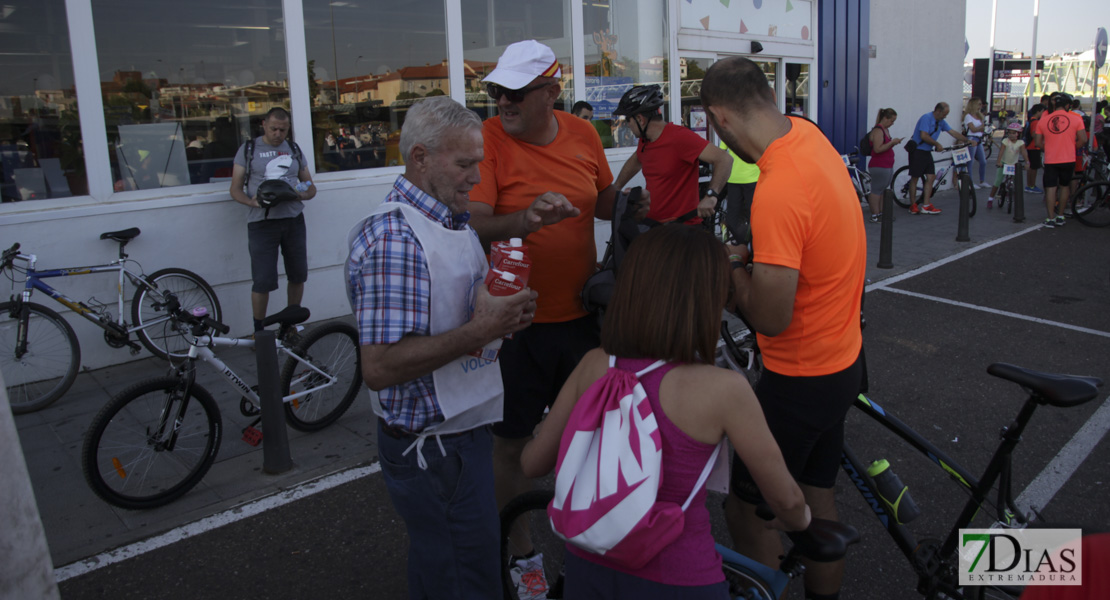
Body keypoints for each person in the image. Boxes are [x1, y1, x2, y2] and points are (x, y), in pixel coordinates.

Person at [520, 224, 811, 599]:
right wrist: (800, 521)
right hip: (680, 577)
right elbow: (785, 498)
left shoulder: (595, 364)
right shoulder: (723, 390)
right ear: (707, 299)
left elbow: (532, 464)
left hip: (587, 566)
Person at [346, 96, 537, 600]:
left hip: (458, 432)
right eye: (465, 164)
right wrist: (481, 329)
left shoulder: (448, 220)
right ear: (420, 158)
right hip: (435, 448)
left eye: (480, 162)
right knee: (464, 573)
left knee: (448, 565)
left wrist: (500, 317)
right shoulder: (396, 238)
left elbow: (458, 314)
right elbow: (381, 367)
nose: (476, 178)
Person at [464, 39, 629, 595]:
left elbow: (602, 200)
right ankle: (522, 550)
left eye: (513, 92)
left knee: (597, 438)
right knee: (510, 443)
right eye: (495, 92)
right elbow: (475, 223)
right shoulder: (488, 140)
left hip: (582, 318)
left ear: (551, 92)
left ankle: (593, 541)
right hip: (514, 324)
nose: (501, 103)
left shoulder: (583, 133)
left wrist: (634, 203)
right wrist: (525, 220)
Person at [700, 56, 866, 600]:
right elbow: (809, 245)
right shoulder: (810, 139)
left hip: (798, 377)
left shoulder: (778, 185)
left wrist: (730, 267)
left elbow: (770, 316)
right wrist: (757, 259)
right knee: (816, 501)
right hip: (842, 360)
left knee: (748, 511)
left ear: (720, 119)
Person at [229, 107, 316, 332]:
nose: (278, 134)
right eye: (274, 129)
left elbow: (311, 186)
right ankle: (260, 333)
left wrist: (302, 193)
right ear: (264, 125)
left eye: (283, 130)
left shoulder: (294, 149)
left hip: (293, 220)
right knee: (263, 280)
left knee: (298, 274)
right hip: (262, 223)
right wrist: (252, 202)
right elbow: (235, 190)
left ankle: (289, 327)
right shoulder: (248, 150)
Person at [611, 85, 732, 224]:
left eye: (628, 120)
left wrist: (711, 195)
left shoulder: (679, 137)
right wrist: (616, 187)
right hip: (655, 227)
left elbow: (724, 159)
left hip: (682, 230)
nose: (627, 125)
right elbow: (636, 160)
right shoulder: (645, 141)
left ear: (640, 119)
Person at [906, 102, 970, 215]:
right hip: (918, 150)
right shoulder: (926, 118)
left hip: (926, 152)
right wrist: (937, 144)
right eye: (944, 114)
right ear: (938, 111)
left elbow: (952, 132)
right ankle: (913, 205)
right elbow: (924, 135)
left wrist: (966, 140)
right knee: (915, 178)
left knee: (931, 177)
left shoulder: (941, 122)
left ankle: (926, 205)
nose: (945, 116)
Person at [1034, 93, 1087, 227]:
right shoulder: (1076, 118)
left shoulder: (1044, 119)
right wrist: (1071, 147)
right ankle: (1060, 216)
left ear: (1054, 104)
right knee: (1064, 186)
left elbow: (1038, 142)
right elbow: (1083, 139)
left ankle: (1050, 218)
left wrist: (1049, 148)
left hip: (1050, 159)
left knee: (1050, 188)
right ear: (1068, 105)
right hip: (1068, 158)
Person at [865, 108, 903, 222]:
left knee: (881, 189)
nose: (892, 124)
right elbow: (877, 149)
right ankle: (875, 214)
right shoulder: (878, 131)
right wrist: (892, 143)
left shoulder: (885, 130)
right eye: (891, 121)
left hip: (886, 165)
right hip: (879, 165)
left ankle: (881, 213)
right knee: (876, 190)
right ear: (885, 118)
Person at [988, 122, 1032, 208]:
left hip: (1014, 164)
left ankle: (1014, 196)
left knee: (1016, 182)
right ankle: (990, 199)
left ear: (1018, 134)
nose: (1011, 135)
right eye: (1010, 133)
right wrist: (998, 161)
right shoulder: (1005, 141)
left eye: (1014, 133)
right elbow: (1001, 151)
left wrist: (1027, 162)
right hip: (1004, 163)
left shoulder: (1020, 142)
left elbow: (1023, 153)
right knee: (998, 181)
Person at [719, 142, 759, 234]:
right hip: (753, 177)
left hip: (734, 177)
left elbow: (721, 153)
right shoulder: (756, 130)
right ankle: (753, 241)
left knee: (733, 213)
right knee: (753, 213)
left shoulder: (729, 130)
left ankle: (731, 241)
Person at [962, 97, 989, 189]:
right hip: (971, 138)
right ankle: (970, 182)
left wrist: (980, 128)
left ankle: (982, 181)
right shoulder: (968, 116)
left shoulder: (979, 115)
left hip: (979, 139)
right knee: (970, 161)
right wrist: (980, 128)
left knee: (983, 161)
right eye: (979, 104)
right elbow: (972, 129)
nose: (980, 106)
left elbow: (980, 128)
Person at [1024, 104, 1047, 194]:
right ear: (1038, 111)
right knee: (1034, 168)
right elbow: (1034, 134)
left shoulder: (1030, 120)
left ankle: (1030, 185)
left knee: (1031, 167)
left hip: (1030, 146)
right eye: (1042, 112)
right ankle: (1032, 185)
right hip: (1034, 147)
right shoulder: (1036, 122)